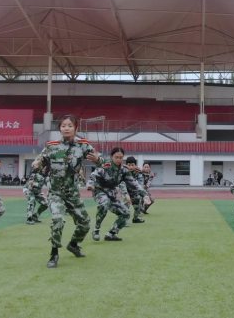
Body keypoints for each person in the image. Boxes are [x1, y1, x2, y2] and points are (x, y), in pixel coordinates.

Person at [34, 114, 102, 268]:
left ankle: (73, 244)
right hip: (56, 192)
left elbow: (100, 161)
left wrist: (98, 160)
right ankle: (54, 254)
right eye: (63, 125)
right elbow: (40, 161)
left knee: (84, 223)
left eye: (70, 125)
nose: (66, 128)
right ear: (60, 129)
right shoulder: (51, 146)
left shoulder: (83, 145)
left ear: (75, 128)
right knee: (58, 220)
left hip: (72, 193)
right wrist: (37, 163)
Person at [87, 147, 145, 242]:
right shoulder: (106, 165)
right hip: (100, 192)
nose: (118, 159)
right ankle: (96, 229)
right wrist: (90, 185)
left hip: (111, 194)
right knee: (104, 203)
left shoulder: (123, 170)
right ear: (111, 157)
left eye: (121, 157)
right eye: (116, 157)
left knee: (126, 213)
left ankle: (111, 234)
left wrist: (144, 194)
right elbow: (94, 175)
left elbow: (134, 183)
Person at [22, 160, 49, 225]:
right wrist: (35, 185)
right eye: (44, 167)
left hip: (37, 192)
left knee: (46, 203)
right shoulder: (34, 173)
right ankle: (29, 218)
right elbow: (30, 183)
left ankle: (35, 216)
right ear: (41, 167)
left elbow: (48, 185)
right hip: (29, 190)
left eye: (46, 168)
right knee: (32, 200)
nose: (45, 169)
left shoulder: (45, 176)